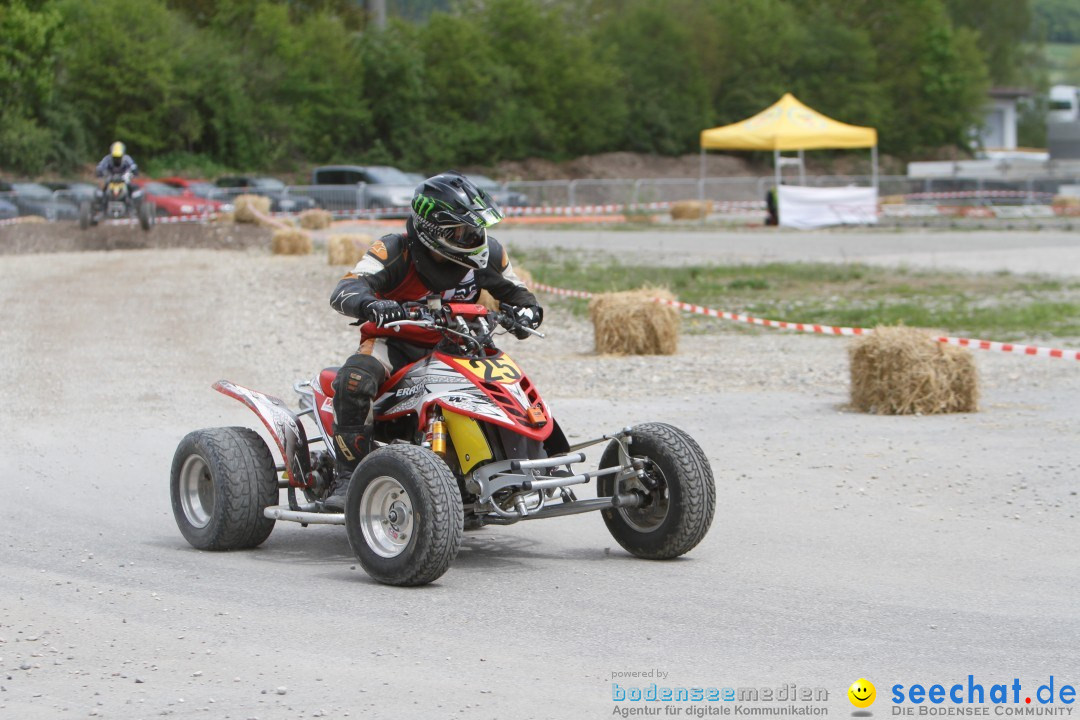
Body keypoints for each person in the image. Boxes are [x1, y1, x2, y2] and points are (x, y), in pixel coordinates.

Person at [325, 171, 543, 511]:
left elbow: (516, 292)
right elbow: (346, 288)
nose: (474, 237)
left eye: (476, 229)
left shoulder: (485, 254)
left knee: (502, 384)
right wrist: (371, 304)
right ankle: (349, 478)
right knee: (355, 380)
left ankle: (531, 458)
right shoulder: (394, 249)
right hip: (395, 343)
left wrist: (527, 312)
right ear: (433, 230)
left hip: (457, 341)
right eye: (462, 231)